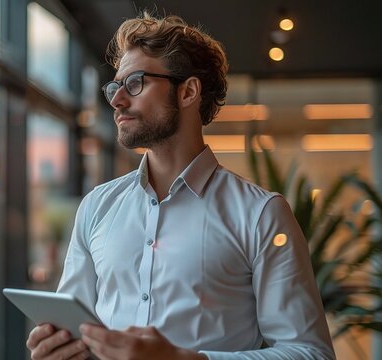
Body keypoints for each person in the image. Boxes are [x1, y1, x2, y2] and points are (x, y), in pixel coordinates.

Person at [26, 12, 335, 360]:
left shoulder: (261, 214)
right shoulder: (97, 207)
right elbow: (76, 332)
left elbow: (311, 353)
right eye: (115, 87)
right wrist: (58, 349)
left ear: (188, 91)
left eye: (135, 83)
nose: (117, 101)